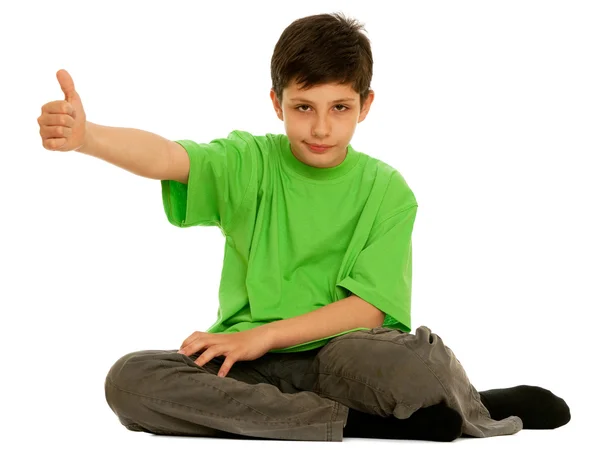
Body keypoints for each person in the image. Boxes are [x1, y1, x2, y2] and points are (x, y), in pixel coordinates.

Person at [37, 12, 570, 442]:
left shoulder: (387, 190)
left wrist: (261, 335)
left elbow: (367, 309)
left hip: (350, 355)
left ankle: (466, 401)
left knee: (414, 370)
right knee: (131, 382)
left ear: (365, 106)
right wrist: (89, 138)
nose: (320, 127)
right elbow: (170, 157)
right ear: (277, 104)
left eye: (339, 107)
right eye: (303, 107)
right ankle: (364, 422)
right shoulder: (251, 162)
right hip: (252, 364)